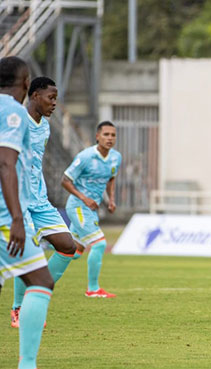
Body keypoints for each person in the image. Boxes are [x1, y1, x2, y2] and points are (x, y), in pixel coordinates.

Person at [11, 77, 79, 328]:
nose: (54, 104)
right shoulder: (16, 121)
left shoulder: (45, 127)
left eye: (56, 99)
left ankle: (37, 292)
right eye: (51, 98)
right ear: (35, 95)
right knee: (30, 253)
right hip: (18, 200)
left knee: (67, 246)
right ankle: (19, 309)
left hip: (40, 201)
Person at [0, 56, 54, 369]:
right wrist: (17, 218)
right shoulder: (13, 112)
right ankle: (27, 364)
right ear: (24, 83)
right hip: (5, 217)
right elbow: (6, 163)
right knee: (42, 280)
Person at [61, 121, 122, 298]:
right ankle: (93, 289)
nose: (110, 138)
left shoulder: (116, 157)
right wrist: (84, 198)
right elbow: (65, 180)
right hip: (78, 206)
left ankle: (36, 270)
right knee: (99, 243)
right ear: (97, 136)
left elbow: (111, 179)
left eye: (113, 135)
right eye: (106, 134)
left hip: (90, 209)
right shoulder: (86, 156)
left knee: (73, 252)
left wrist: (111, 200)